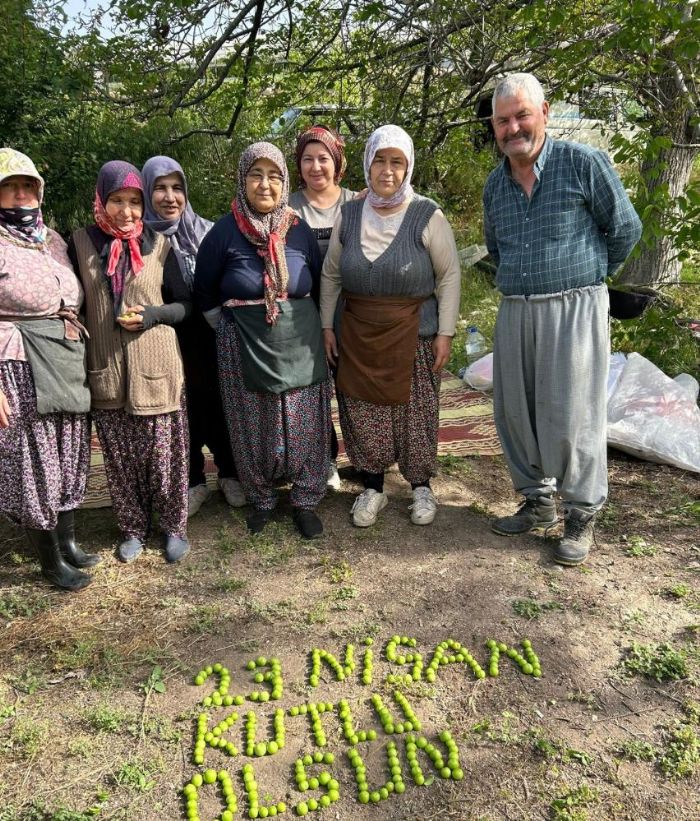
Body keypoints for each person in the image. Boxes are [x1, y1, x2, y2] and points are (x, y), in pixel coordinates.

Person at [483, 73, 642, 566]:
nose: (513, 128)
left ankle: (581, 512)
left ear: (545, 112)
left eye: (522, 115)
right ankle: (537, 501)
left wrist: (594, 278)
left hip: (575, 306)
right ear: (494, 127)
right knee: (515, 410)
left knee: (572, 414)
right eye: (503, 120)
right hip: (516, 307)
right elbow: (495, 249)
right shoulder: (496, 185)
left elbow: (625, 229)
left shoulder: (582, 164)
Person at [320, 124, 461, 528]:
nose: (387, 170)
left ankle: (420, 488)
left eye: (396, 162)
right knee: (363, 410)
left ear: (408, 167)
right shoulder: (348, 214)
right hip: (358, 333)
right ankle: (373, 488)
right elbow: (331, 275)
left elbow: (449, 275)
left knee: (415, 410)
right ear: (367, 164)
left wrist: (446, 332)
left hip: (414, 332)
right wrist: (327, 326)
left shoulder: (426, 214)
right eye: (379, 160)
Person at [195, 142, 330, 539]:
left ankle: (306, 499)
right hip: (244, 343)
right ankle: (263, 499)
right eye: (256, 174)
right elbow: (205, 293)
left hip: (300, 339)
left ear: (285, 181)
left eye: (274, 175)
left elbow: (318, 283)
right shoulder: (223, 232)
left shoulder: (299, 229)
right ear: (242, 179)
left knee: (304, 419)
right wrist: (234, 330)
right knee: (252, 422)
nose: (265, 184)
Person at [67, 161, 192, 564]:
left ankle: (174, 527)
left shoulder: (159, 244)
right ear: (101, 200)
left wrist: (153, 314)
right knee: (121, 461)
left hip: (157, 366)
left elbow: (185, 306)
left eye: (134, 201)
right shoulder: (80, 243)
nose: (126, 211)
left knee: (165, 457)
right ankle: (132, 529)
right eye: (117, 200)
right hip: (107, 371)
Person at [0, 147, 99, 591]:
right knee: (35, 458)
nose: (20, 195)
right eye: (9, 187)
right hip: (18, 361)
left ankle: (69, 541)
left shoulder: (54, 240)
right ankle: (49, 560)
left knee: (67, 450)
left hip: (64, 356)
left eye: (27, 186)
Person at [142, 155, 245, 518]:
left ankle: (231, 472)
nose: (170, 197)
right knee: (181, 410)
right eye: (160, 188)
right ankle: (193, 481)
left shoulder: (207, 231)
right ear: (146, 191)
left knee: (220, 401)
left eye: (177, 188)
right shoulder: (139, 237)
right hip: (163, 338)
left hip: (212, 332)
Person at [289, 125, 355, 491]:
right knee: (313, 390)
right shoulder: (288, 207)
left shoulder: (357, 202)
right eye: (307, 159)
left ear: (337, 162)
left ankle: (363, 455)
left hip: (353, 311)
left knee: (353, 385)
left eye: (323, 158)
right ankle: (325, 458)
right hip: (304, 314)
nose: (316, 167)